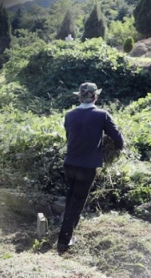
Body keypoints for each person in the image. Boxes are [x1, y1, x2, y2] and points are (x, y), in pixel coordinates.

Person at [57, 82, 124, 253]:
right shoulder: (102, 115)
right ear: (96, 97)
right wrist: (115, 147)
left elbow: (69, 136)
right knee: (78, 201)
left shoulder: (69, 115)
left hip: (69, 163)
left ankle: (68, 231)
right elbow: (118, 140)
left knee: (71, 196)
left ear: (79, 97)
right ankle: (64, 240)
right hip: (86, 167)